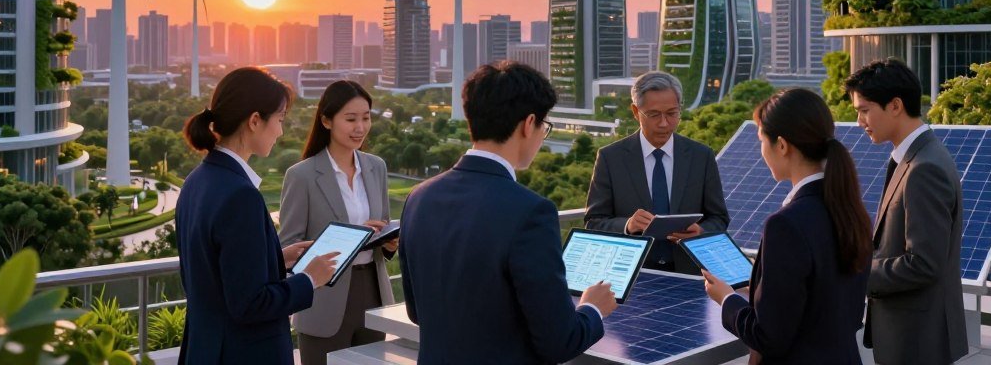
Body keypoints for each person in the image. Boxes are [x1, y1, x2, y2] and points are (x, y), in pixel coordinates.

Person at [399, 62, 617, 364]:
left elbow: (416, 311)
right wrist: (593, 308)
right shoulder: (531, 212)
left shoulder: (419, 197)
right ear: (529, 124)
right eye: (544, 127)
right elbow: (559, 343)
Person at [176, 67, 339, 365]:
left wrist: (274, 257)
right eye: (280, 120)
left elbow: (213, 276)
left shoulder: (196, 181)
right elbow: (250, 304)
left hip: (206, 349)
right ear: (254, 121)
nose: (280, 132)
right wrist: (309, 278)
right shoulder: (241, 196)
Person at [702, 88, 872, 364]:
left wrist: (727, 300)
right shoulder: (851, 211)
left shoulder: (786, 225)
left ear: (781, 145)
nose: (761, 150)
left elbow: (769, 337)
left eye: (761, 140)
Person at [845, 59, 967, 365]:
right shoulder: (915, 157)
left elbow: (924, 263)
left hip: (917, 340)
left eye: (864, 110)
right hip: (909, 334)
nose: (859, 121)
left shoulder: (924, 168)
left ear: (895, 105)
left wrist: (858, 273)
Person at [279, 80, 397, 365]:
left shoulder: (377, 167)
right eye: (351, 119)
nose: (360, 127)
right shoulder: (302, 176)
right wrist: (350, 238)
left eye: (366, 118)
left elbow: (384, 224)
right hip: (322, 298)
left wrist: (389, 243)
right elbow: (288, 247)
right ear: (326, 121)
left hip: (373, 292)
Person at [584, 71, 729, 272]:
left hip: (690, 272)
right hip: (631, 273)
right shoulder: (611, 158)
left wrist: (702, 231)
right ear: (636, 112)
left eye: (672, 113)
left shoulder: (701, 156)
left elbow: (719, 218)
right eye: (653, 115)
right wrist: (628, 225)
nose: (664, 123)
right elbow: (593, 222)